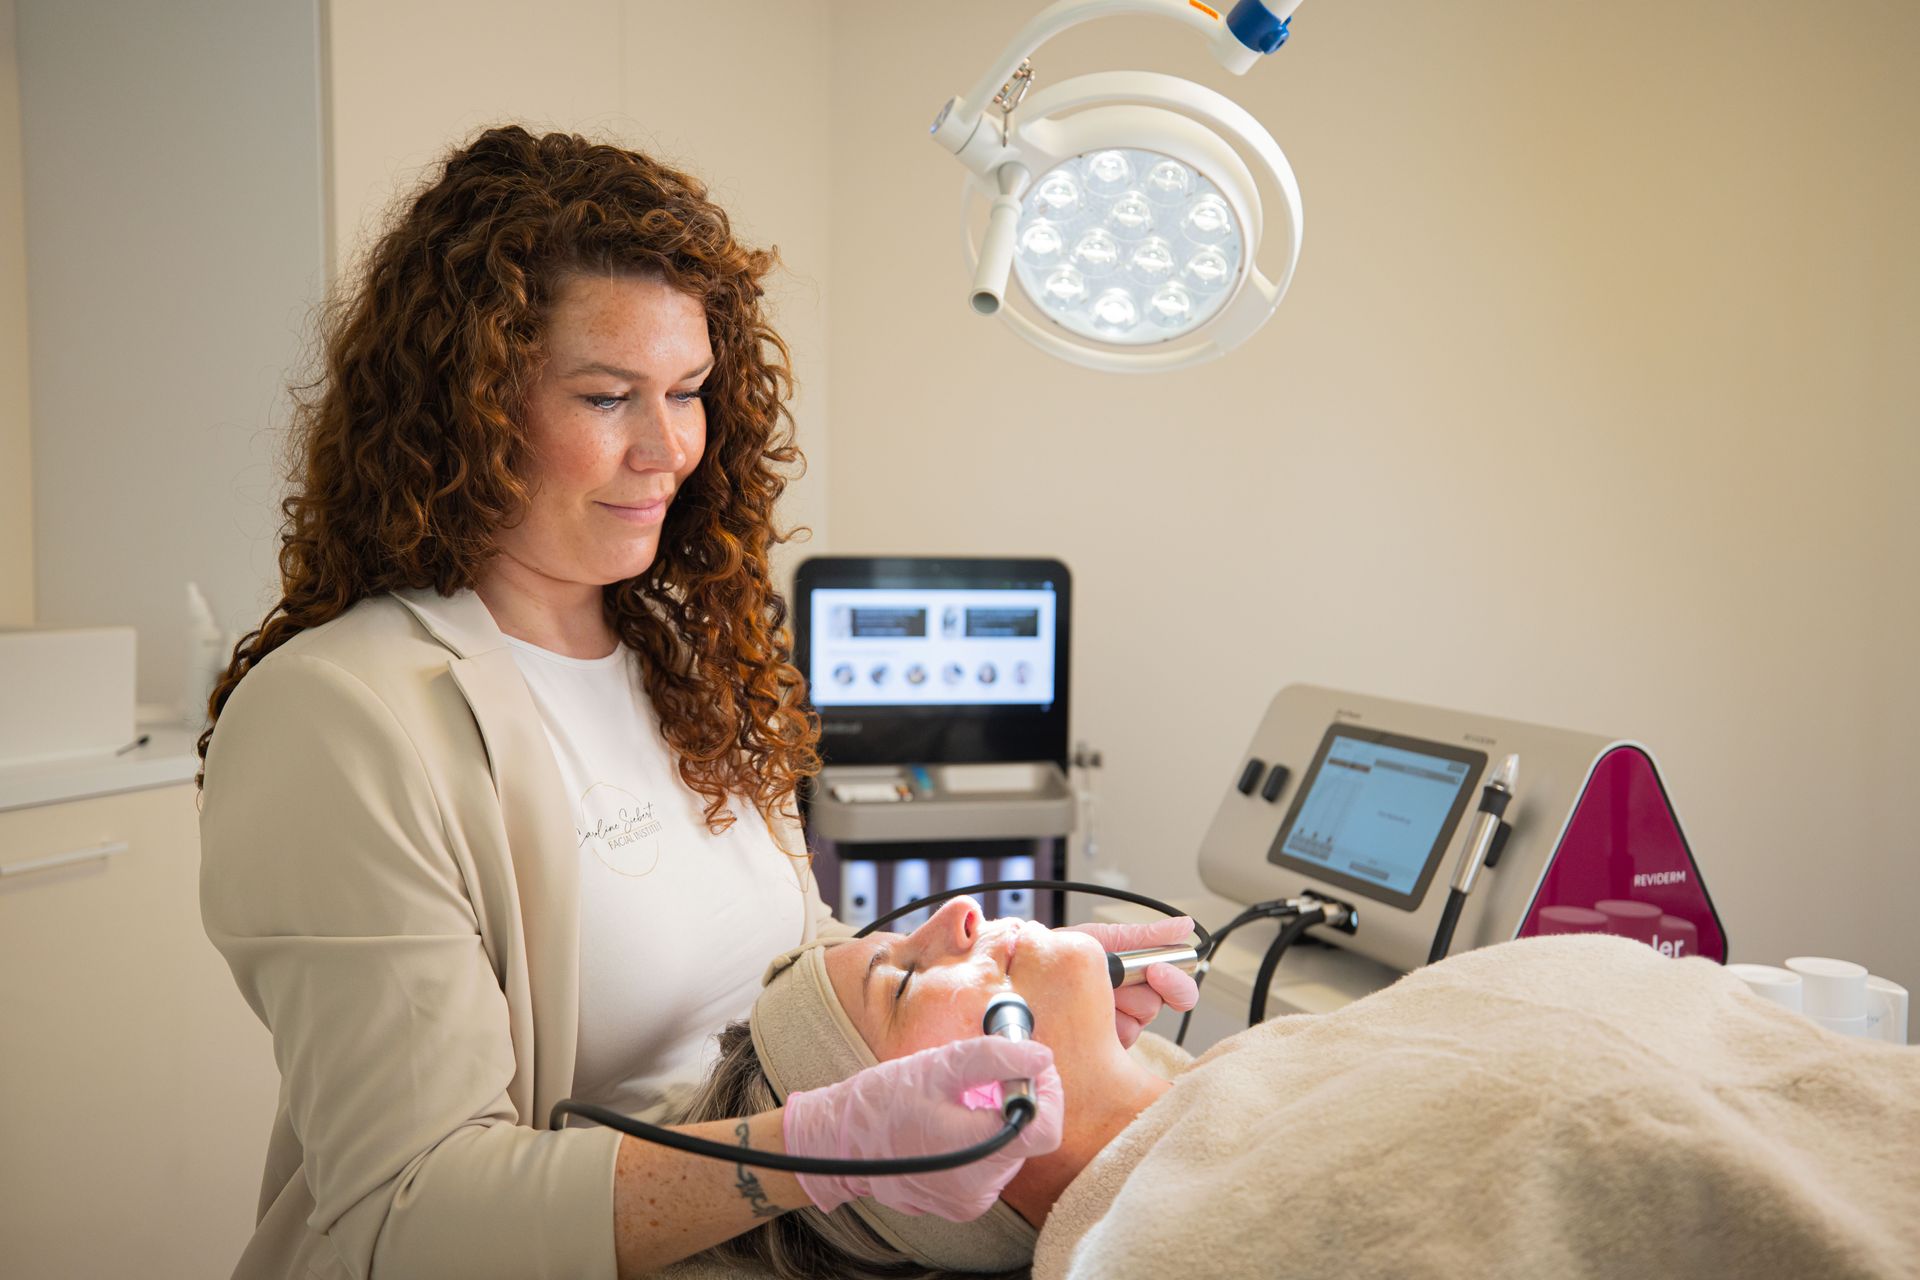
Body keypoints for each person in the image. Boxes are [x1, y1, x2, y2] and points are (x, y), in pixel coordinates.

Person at [194, 124, 1196, 1280]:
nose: (667, 445)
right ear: (462, 411)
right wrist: (816, 1151)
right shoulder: (340, 717)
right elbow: (409, 1217)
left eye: (688, 390)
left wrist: (951, 988)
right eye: (606, 396)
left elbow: (775, 966)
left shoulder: (680, 652)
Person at [684, 897, 1920, 1280]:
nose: (958, 913)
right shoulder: (1168, 1245)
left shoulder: (1245, 1090)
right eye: (904, 978)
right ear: (936, 1148)